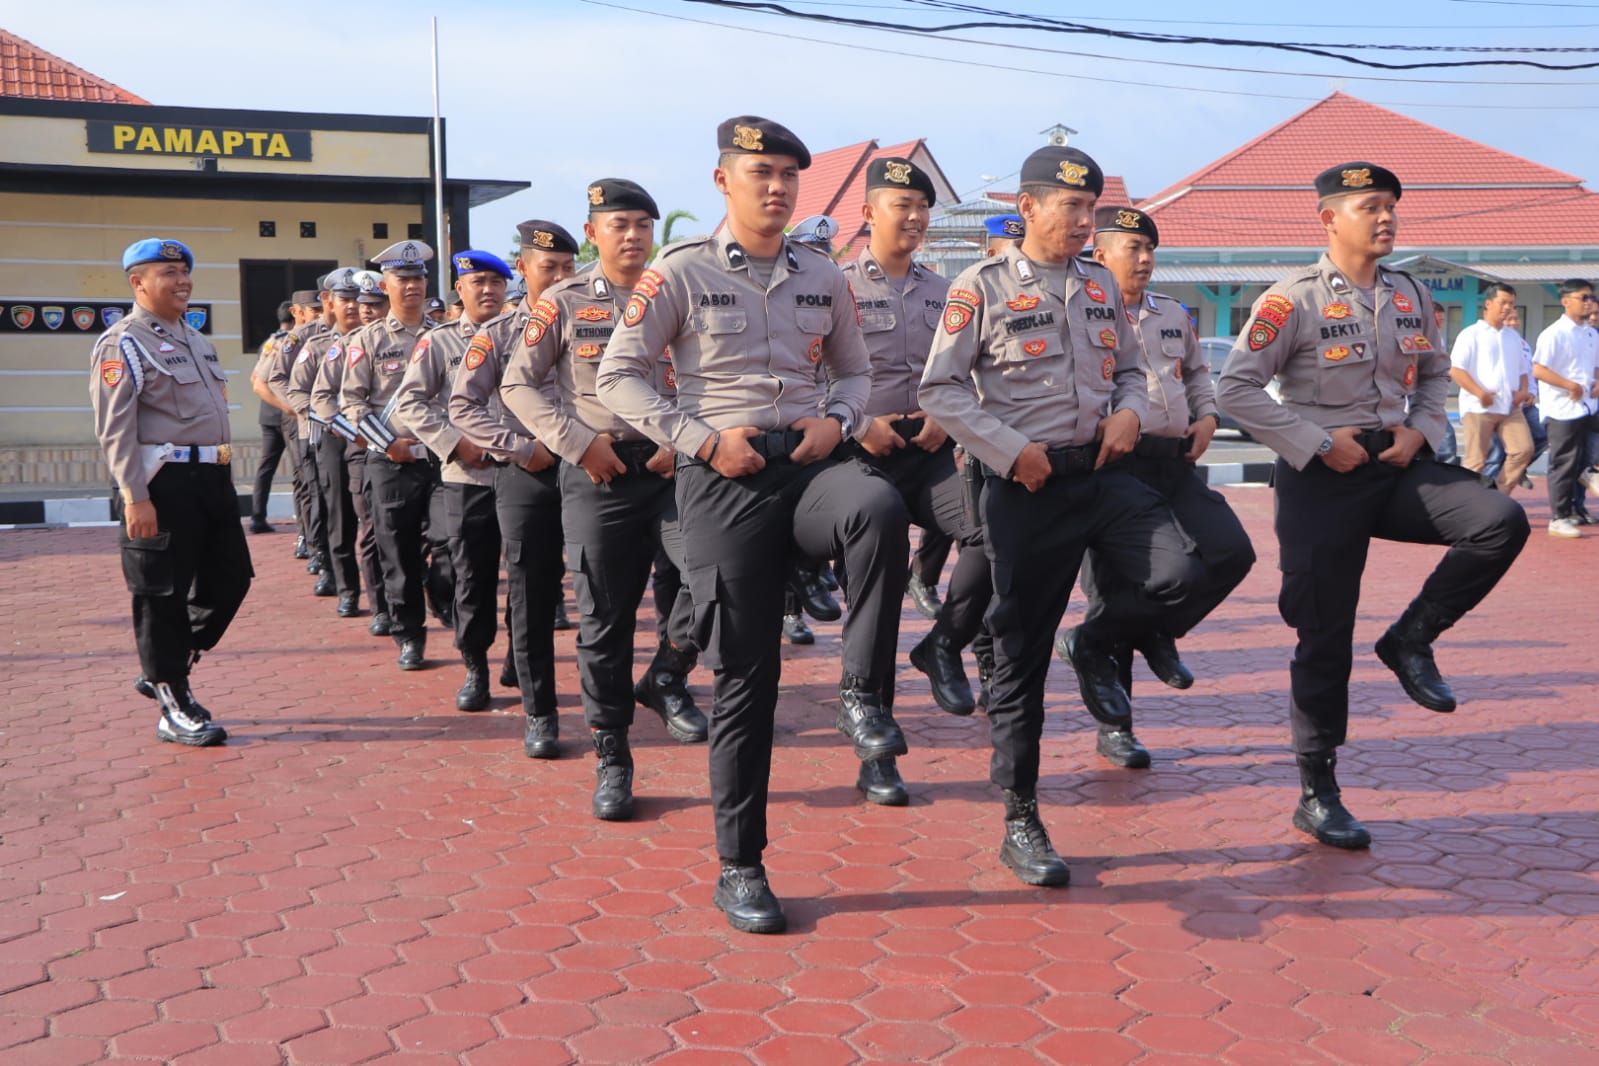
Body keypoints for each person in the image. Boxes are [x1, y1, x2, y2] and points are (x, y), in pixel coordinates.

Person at [598, 116, 909, 934]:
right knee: (746, 677)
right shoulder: (681, 271)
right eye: (760, 171)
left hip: (807, 468)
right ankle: (741, 865)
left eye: (787, 174)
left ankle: (860, 695)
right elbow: (619, 377)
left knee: (878, 506)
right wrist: (701, 440)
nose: (776, 186)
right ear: (722, 180)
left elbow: (854, 372)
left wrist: (838, 422)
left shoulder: (822, 274)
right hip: (721, 478)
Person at [1217, 162, 1529, 849]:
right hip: (1320, 477)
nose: (1386, 217)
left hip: (1394, 466)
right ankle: (1317, 791)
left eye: (1390, 205)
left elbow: (1436, 374)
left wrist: (1422, 428)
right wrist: (1315, 442)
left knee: (1497, 521)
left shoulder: (1411, 292)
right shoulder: (1291, 299)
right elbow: (1234, 390)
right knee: (1323, 636)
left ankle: (1410, 638)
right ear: (1329, 219)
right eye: (1370, 207)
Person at [920, 146, 1202, 888]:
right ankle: (1021, 816)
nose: (1083, 221)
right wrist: (1010, 451)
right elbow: (940, 391)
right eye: (1071, 206)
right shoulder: (980, 286)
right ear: (1029, 207)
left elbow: (1132, 370)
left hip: (1102, 477)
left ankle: (1096, 639)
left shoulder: (1099, 283)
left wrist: (1130, 410)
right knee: (1021, 654)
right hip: (1027, 488)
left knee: (1182, 568)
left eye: (1091, 208)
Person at [502, 178, 710, 822]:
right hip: (600, 474)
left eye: (643, 224)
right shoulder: (564, 301)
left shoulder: (681, 289)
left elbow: (712, 375)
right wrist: (577, 444)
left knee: (714, 581)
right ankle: (613, 756)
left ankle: (666, 675)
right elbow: (518, 385)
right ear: (593, 234)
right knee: (604, 622)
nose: (634, 236)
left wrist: (684, 437)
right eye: (619, 225)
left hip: (676, 470)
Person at [1060, 205, 1256, 769]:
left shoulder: (1171, 312)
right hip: (1115, 467)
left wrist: (1207, 415)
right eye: (1134, 249)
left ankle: (1139, 631)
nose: (1145, 259)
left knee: (1230, 552)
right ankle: (1116, 729)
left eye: (1150, 250)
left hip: (1174, 462)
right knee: (1120, 586)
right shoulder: (1078, 313)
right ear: (1100, 255)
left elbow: (1196, 372)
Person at [840, 156, 989, 804]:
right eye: (902, 205)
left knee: (994, 530)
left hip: (928, 453)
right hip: (857, 457)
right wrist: (857, 424)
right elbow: (808, 374)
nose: (915, 217)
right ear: (868, 213)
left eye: (923, 207)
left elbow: (974, 371)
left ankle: (944, 643)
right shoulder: (835, 288)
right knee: (877, 601)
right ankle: (877, 753)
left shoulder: (946, 292)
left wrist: (945, 419)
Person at [90, 238, 252, 746]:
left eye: (184, 271)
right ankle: (173, 702)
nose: (183, 281)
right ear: (138, 283)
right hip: (162, 484)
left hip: (212, 479)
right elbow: (115, 428)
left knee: (231, 580)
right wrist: (134, 496)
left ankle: (164, 664)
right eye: (169, 272)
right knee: (161, 594)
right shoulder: (124, 343)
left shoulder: (195, 339)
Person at [450, 220, 577, 759]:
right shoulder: (498, 333)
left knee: (603, 591)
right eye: (550, 269)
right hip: (528, 475)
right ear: (523, 269)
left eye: (570, 268)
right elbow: (463, 407)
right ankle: (539, 710)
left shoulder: (599, 323)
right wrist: (521, 448)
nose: (562, 278)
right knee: (532, 595)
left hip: (594, 469)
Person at [393, 249, 512, 710]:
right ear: (460, 290)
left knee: (529, 576)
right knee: (472, 577)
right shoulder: (439, 342)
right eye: (478, 282)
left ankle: (520, 658)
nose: (488, 290)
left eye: (496, 282)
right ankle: (475, 664)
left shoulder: (526, 333)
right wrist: (454, 442)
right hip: (468, 475)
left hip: (524, 473)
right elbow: (411, 402)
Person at [343, 240, 452, 669]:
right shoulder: (367, 340)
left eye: (418, 277)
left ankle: (441, 593)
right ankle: (409, 634)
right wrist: (387, 442)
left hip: (442, 458)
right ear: (385, 285)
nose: (412, 285)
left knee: (450, 540)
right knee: (398, 552)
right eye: (403, 278)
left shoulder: (444, 335)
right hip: (390, 461)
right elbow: (351, 403)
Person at [285, 269, 369, 618]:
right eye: (345, 299)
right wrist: (327, 419)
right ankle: (344, 586)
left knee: (379, 519)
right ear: (330, 302)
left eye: (357, 299)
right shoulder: (317, 346)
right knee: (339, 517)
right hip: (334, 440)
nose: (352, 306)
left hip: (373, 440)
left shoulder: (375, 340)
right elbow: (296, 393)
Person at [1450, 283, 1534, 495]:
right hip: (1479, 407)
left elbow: (1523, 370)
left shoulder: (1513, 337)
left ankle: (1498, 495)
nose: (1507, 307)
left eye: (1511, 304)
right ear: (1488, 303)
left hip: (1509, 407)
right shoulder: (1471, 334)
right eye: (1503, 302)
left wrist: (1523, 390)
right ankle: (1465, 504)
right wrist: (1480, 393)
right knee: (1476, 461)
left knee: (1523, 450)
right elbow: (1456, 370)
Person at [1532, 279, 1599, 538]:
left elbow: (1594, 366)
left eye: (1591, 297)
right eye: (1584, 297)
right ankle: (1559, 518)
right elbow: (1539, 369)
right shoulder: (1554, 334)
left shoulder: (1591, 334)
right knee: (1564, 463)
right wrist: (1568, 384)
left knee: (1586, 457)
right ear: (1566, 301)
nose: (1589, 302)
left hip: (1588, 407)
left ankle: (1578, 502)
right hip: (1562, 409)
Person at [247, 300, 295, 533]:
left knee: (266, 468)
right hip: (289, 412)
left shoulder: (268, 342)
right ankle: (305, 520)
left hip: (268, 413)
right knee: (301, 469)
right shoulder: (291, 342)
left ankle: (257, 517)